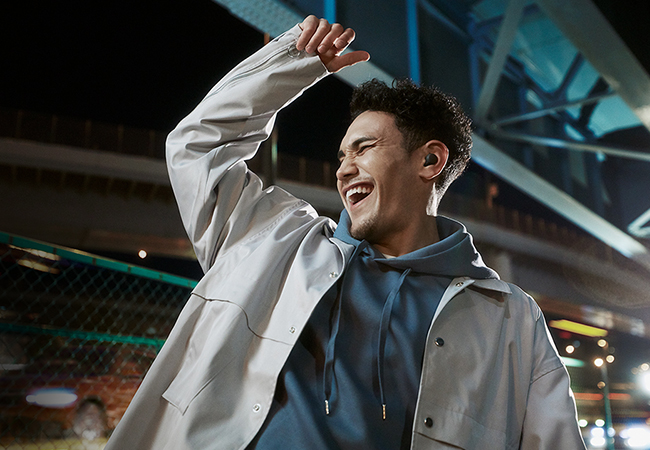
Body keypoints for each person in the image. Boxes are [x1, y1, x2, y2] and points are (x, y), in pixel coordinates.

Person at [106, 15, 586, 450]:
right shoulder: (273, 240)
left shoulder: (511, 318)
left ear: (430, 160)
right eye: (341, 156)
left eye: (364, 148)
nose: (343, 169)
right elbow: (197, 147)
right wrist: (292, 62)